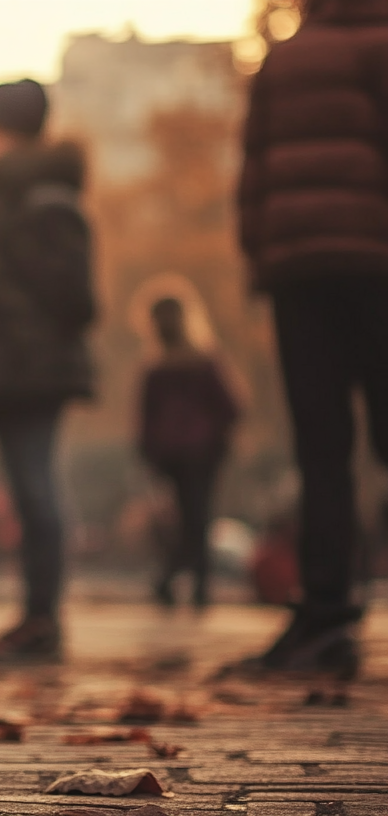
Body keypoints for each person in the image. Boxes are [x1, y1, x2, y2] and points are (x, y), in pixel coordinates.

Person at [235, 0, 388, 678]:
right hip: (377, 264)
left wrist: (260, 258)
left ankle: (326, 616)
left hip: (298, 271)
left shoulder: (283, 56)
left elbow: (253, 173)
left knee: (321, 449)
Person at [0, 78, 96, 662]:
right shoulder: (4, 195)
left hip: (31, 370)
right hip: (11, 370)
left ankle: (42, 619)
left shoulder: (39, 198)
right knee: (29, 493)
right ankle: (36, 616)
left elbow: (75, 297)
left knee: (37, 493)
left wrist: (14, 327)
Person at [136, 297, 239, 609]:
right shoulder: (202, 364)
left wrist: (149, 451)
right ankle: (196, 583)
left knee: (189, 518)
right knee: (197, 516)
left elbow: (146, 418)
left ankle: (176, 579)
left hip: (177, 454)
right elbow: (231, 407)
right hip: (199, 452)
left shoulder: (159, 369)